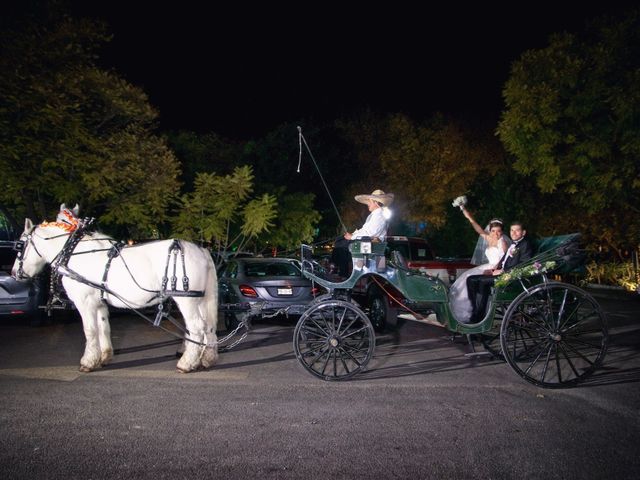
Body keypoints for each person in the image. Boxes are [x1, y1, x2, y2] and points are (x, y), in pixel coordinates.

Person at [465, 221, 533, 323]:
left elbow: (523, 265)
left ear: (523, 233)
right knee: (471, 279)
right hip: (504, 273)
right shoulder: (513, 244)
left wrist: (503, 271)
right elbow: (503, 260)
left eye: (517, 230)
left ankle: (478, 318)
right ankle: (475, 309)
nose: (513, 233)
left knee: (482, 282)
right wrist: (493, 270)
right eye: (512, 230)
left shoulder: (525, 244)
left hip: (512, 277)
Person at [448, 207, 508, 323]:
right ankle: (472, 308)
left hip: (495, 268)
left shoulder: (503, 242)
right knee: (466, 277)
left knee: (470, 279)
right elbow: (478, 229)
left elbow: (505, 260)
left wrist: (494, 270)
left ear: (502, 232)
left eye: (499, 231)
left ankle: (476, 312)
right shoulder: (489, 239)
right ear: (490, 231)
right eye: (493, 231)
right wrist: (468, 216)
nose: (496, 234)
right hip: (488, 266)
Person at [331, 189, 394, 277]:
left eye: (369, 201)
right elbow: (364, 230)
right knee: (339, 241)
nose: (367, 204)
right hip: (367, 244)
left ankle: (342, 273)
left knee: (340, 245)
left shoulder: (379, 215)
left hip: (370, 246)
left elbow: (370, 233)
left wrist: (352, 237)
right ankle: (339, 270)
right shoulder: (374, 215)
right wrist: (352, 234)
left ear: (375, 202)